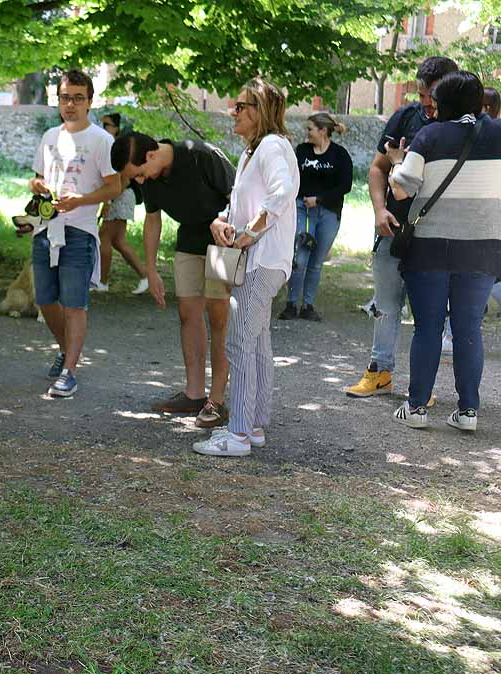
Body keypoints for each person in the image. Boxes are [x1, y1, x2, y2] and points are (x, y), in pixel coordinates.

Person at [387, 71, 501, 432]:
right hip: (482, 249)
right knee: (469, 329)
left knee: (428, 328)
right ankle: (468, 412)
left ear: (442, 103)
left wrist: (394, 163)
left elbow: (403, 190)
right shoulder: (498, 134)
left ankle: (417, 407)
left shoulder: (429, 135)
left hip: (430, 249)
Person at [194, 78, 299, 457]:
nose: (232, 112)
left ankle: (237, 435)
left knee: (239, 343)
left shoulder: (271, 146)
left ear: (259, 112)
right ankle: (252, 427)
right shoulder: (253, 151)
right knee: (256, 344)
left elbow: (283, 193)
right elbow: (244, 202)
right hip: (260, 260)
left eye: (240, 106)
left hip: (262, 261)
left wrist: (251, 232)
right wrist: (223, 220)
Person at [344, 56, 458, 399]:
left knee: (429, 313)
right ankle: (379, 372)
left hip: (436, 234)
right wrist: (379, 210)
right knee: (385, 304)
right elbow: (378, 168)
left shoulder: (462, 125)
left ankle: (421, 386)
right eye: (421, 94)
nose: (425, 103)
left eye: (431, 95)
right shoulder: (405, 117)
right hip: (394, 229)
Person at [111, 132, 233, 428]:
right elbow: (153, 220)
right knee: (187, 314)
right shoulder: (152, 178)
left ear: (151, 156)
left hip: (223, 243)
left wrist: (229, 233)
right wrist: (150, 270)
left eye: (139, 174)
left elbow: (239, 197)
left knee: (219, 319)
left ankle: (216, 401)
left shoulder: (200, 155)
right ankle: (194, 394)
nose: (140, 182)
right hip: (188, 241)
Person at [25, 71, 123, 397]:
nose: (71, 104)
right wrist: (37, 185)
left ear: (90, 101)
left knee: (74, 304)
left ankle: (70, 371)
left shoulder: (100, 140)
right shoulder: (50, 136)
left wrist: (80, 200)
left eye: (78, 98)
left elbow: (115, 186)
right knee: (44, 299)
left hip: (79, 230)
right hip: (45, 227)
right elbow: (36, 178)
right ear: (58, 100)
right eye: (65, 97)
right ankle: (67, 350)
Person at [279, 112, 352, 322]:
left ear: (322, 131)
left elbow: (345, 185)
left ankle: (308, 305)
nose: (307, 133)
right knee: (300, 258)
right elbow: (290, 176)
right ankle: (291, 304)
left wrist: (319, 199)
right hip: (302, 209)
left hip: (328, 212)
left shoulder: (340, 155)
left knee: (316, 262)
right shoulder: (301, 151)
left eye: (310, 129)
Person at [98, 112, 149, 295]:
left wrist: (109, 200)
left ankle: (102, 282)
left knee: (104, 237)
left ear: (116, 128)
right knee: (118, 241)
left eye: (107, 125)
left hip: (121, 196)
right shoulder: (110, 145)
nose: (103, 128)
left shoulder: (118, 147)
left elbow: (125, 179)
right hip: (121, 196)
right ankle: (145, 277)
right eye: (102, 124)